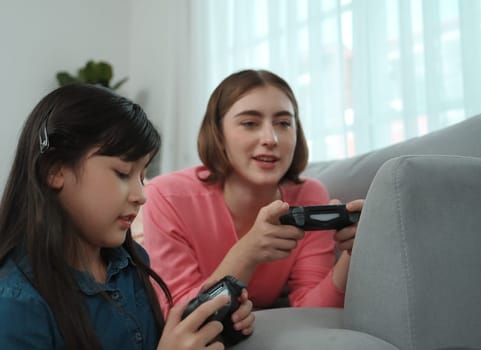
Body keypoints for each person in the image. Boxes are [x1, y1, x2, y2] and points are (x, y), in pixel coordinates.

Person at [0, 84, 254, 350]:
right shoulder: (16, 305)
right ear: (55, 170)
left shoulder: (132, 264)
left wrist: (213, 332)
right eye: (123, 173)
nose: (141, 195)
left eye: (143, 175)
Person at [142, 70, 364, 310]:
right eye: (249, 123)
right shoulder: (166, 196)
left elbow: (311, 312)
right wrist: (247, 253)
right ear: (218, 134)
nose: (271, 139)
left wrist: (353, 256)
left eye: (283, 123)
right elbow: (179, 319)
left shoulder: (310, 196)